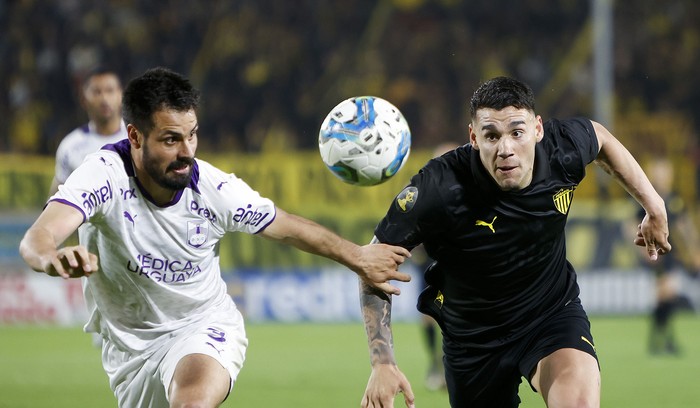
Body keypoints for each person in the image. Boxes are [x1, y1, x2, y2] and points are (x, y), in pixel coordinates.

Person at [19, 67, 411, 408]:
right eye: (171, 139)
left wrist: (357, 255)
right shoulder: (103, 173)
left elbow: (287, 225)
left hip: (203, 325)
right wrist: (50, 257)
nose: (187, 151)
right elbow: (38, 237)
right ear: (135, 137)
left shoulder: (212, 187)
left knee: (191, 402)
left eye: (193, 135)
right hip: (129, 348)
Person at [359, 76, 671, 408]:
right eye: (491, 135)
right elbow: (371, 263)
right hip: (473, 341)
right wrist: (382, 362)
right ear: (473, 137)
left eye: (517, 132)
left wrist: (654, 205)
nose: (505, 148)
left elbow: (601, 138)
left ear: (538, 129)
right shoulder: (438, 187)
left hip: (550, 314)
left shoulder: (560, 150)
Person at [639, 158, 700, 355]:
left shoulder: (674, 199)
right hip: (656, 254)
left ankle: (658, 340)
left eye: (666, 172)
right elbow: (631, 224)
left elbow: (685, 226)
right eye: (660, 172)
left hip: (671, 253)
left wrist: (694, 249)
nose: (663, 176)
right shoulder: (646, 198)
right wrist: (642, 250)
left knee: (665, 297)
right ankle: (663, 340)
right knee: (666, 294)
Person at [49, 67, 128, 196]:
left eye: (110, 90)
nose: (104, 99)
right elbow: (56, 198)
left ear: (121, 95)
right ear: (84, 99)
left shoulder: (138, 139)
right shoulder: (70, 146)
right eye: (97, 92)